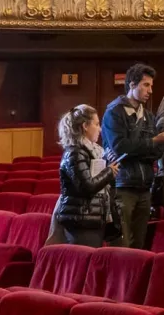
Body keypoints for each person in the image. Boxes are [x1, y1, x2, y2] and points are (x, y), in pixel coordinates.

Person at [101, 63, 164, 249]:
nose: (150, 90)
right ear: (132, 85)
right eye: (146, 85)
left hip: (144, 186)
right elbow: (121, 148)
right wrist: (152, 142)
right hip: (123, 185)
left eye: (151, 85)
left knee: (139, 244)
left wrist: (147, 147)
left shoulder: (148, 116)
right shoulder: (114, 112)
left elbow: (158, 151)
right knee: (122, 243)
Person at [49, 104, 120, 247]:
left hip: (92, 216)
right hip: (81, 219)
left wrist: (109, 166)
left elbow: (102, 184)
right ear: (85, 126)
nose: (100, 129)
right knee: (83, 257)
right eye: (96, 124)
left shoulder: (94, 152)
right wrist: (108, 171)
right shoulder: (75, 153)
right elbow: (88, 187)